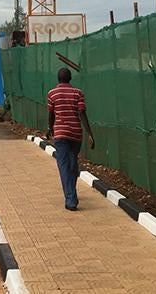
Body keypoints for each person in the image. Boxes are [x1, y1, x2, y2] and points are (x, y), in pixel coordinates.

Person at [46, 68, 94, 211]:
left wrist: (50, 129)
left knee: (64, 165)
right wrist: (90, 133)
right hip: (75, 134)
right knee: (72, 164)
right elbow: (82, 113)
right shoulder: (78, 93)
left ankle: (71, 200)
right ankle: (71, 194)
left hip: (60, 134)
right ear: (70, 78)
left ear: (58, 79)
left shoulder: (52, 93)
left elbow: (51, 114)